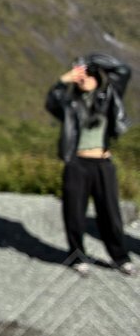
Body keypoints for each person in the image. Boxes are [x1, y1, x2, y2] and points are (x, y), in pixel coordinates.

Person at [45, 53, 134, 277]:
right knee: (74, 213)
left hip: (103, 163)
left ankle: (120, 258)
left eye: (88, 75)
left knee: (110, 214)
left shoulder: (109, 96)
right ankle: (77, 257)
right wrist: (64, 79)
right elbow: (51, 101)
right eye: (80, 75)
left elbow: (123, 70)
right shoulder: (69, 102)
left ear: (97, 77)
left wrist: (92, 62)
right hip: (76, 163)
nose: (83, 78)